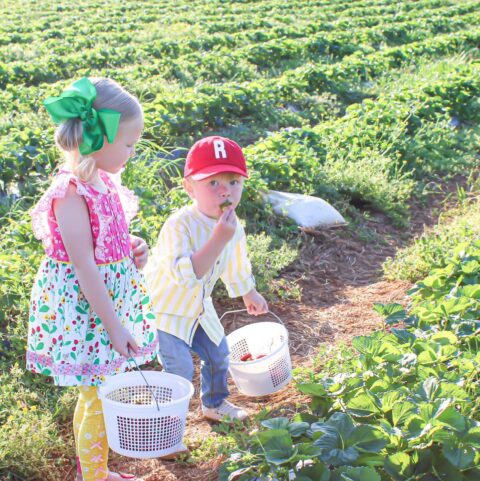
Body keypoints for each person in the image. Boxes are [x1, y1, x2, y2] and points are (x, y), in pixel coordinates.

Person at [26, 77, 157, 481]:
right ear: (101, 138)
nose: (133, 152)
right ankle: (96, 476)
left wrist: (131, 247)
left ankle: (94, 471)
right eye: (130, 144)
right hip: (88, 311)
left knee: (96, 392)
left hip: (105, 301)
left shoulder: (104, 182)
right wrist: (113, 325)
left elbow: (104, 245)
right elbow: (82, 264)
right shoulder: (70, 191)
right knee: (99, 395)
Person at [144, 135, 268, 423]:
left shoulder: (232, 227)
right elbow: (188, 274)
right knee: (180, 370)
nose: (225, 192)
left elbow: (236, 262)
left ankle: (214, 404)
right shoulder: (179, 224)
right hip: (167, 308)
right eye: (213, 183)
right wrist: (218, 239)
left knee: (218, 354)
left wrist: (247, 292)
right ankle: (167, 424)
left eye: (233, 182)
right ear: (190, 188)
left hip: (200, 306)